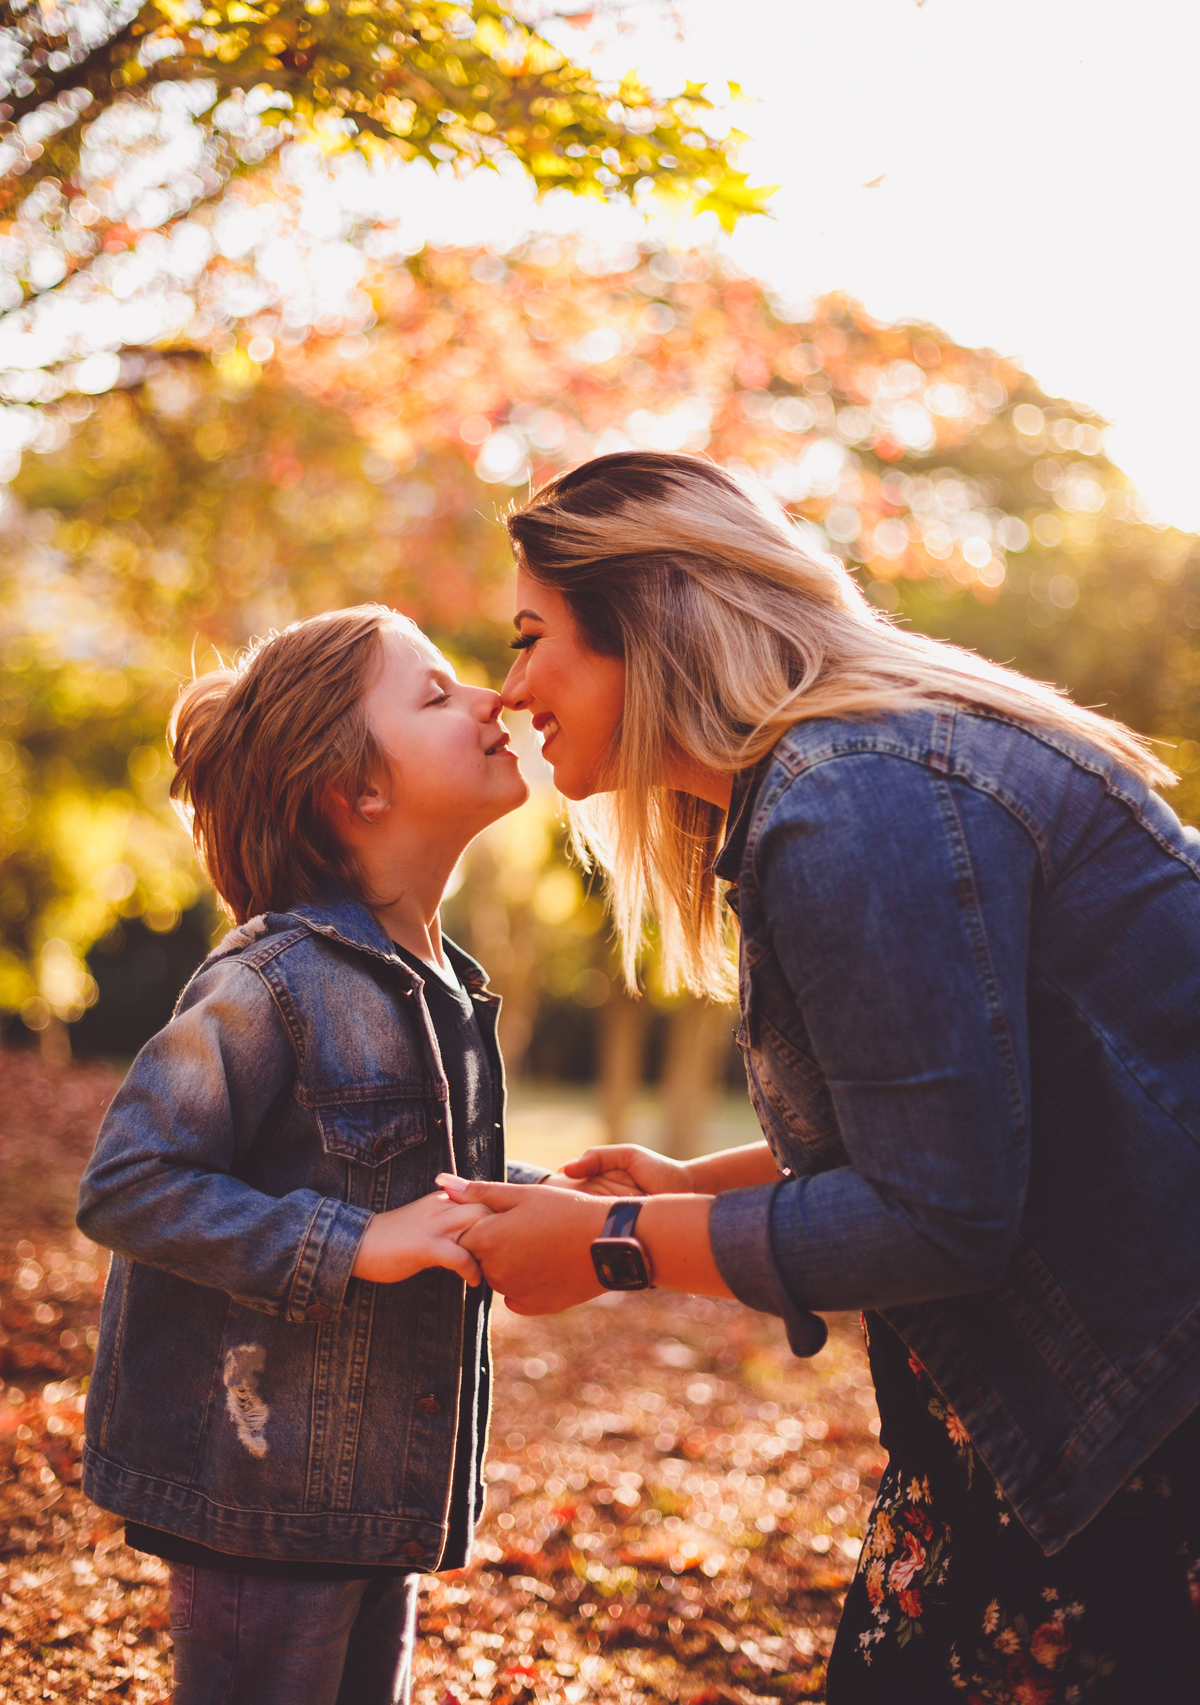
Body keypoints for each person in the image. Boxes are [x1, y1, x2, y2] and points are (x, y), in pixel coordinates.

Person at [442, 451, 1200, 1702]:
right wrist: (691, 1188)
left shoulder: (855, 800)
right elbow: (954, 1125)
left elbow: (940, 1214)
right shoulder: (840, 779)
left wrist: (614, 1246)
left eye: (531, 638)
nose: (511, 687)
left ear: (650, 623)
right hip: (1070, 1417)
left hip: (1147, 1429)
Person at [76, 604, 554, 1705]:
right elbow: (130, 1184)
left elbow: (408, 1190)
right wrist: (354, 1245)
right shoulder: (272, 981)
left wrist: (555, 1202)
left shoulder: (443, 988)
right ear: (357, 792)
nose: (492, 696)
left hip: (376, 1489)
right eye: (436, 693)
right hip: (259, 1497)